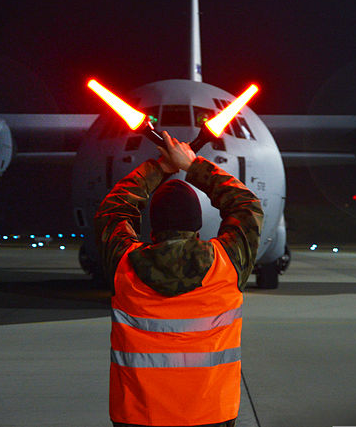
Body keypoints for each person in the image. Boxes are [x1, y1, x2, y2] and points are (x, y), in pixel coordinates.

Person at [95, 131, 264, 427]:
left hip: (138, 416)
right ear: (197, 224)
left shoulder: (124, 264)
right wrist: (191, 164)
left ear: (153, 226)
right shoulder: (227, 263)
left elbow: (114, 209)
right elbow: (246, 206)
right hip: (212, 414)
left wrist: (159, 168)